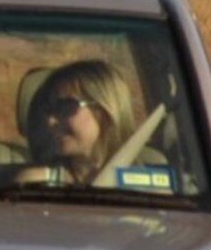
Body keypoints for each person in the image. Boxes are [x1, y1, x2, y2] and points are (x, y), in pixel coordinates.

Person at [21, 58, 150, 181]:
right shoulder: (37, 183)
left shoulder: (148, 184)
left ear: (104, 110)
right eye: (49, 109)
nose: (50, 121)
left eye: (65, 107)